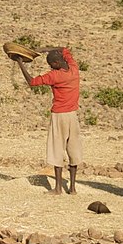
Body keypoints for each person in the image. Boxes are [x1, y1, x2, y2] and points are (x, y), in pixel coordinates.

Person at [13, 47, 82, 195]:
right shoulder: (74, 68)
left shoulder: (55, 76)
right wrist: (41, 50)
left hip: (59, 115)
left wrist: (20, 63)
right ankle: (73, 188)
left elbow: (32, 81)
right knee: (73, 151)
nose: (50, 67)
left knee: (57, 150)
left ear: (56, 63)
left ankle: (57, 188)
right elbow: (64, 49)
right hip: (73, 115)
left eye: (51, 64)